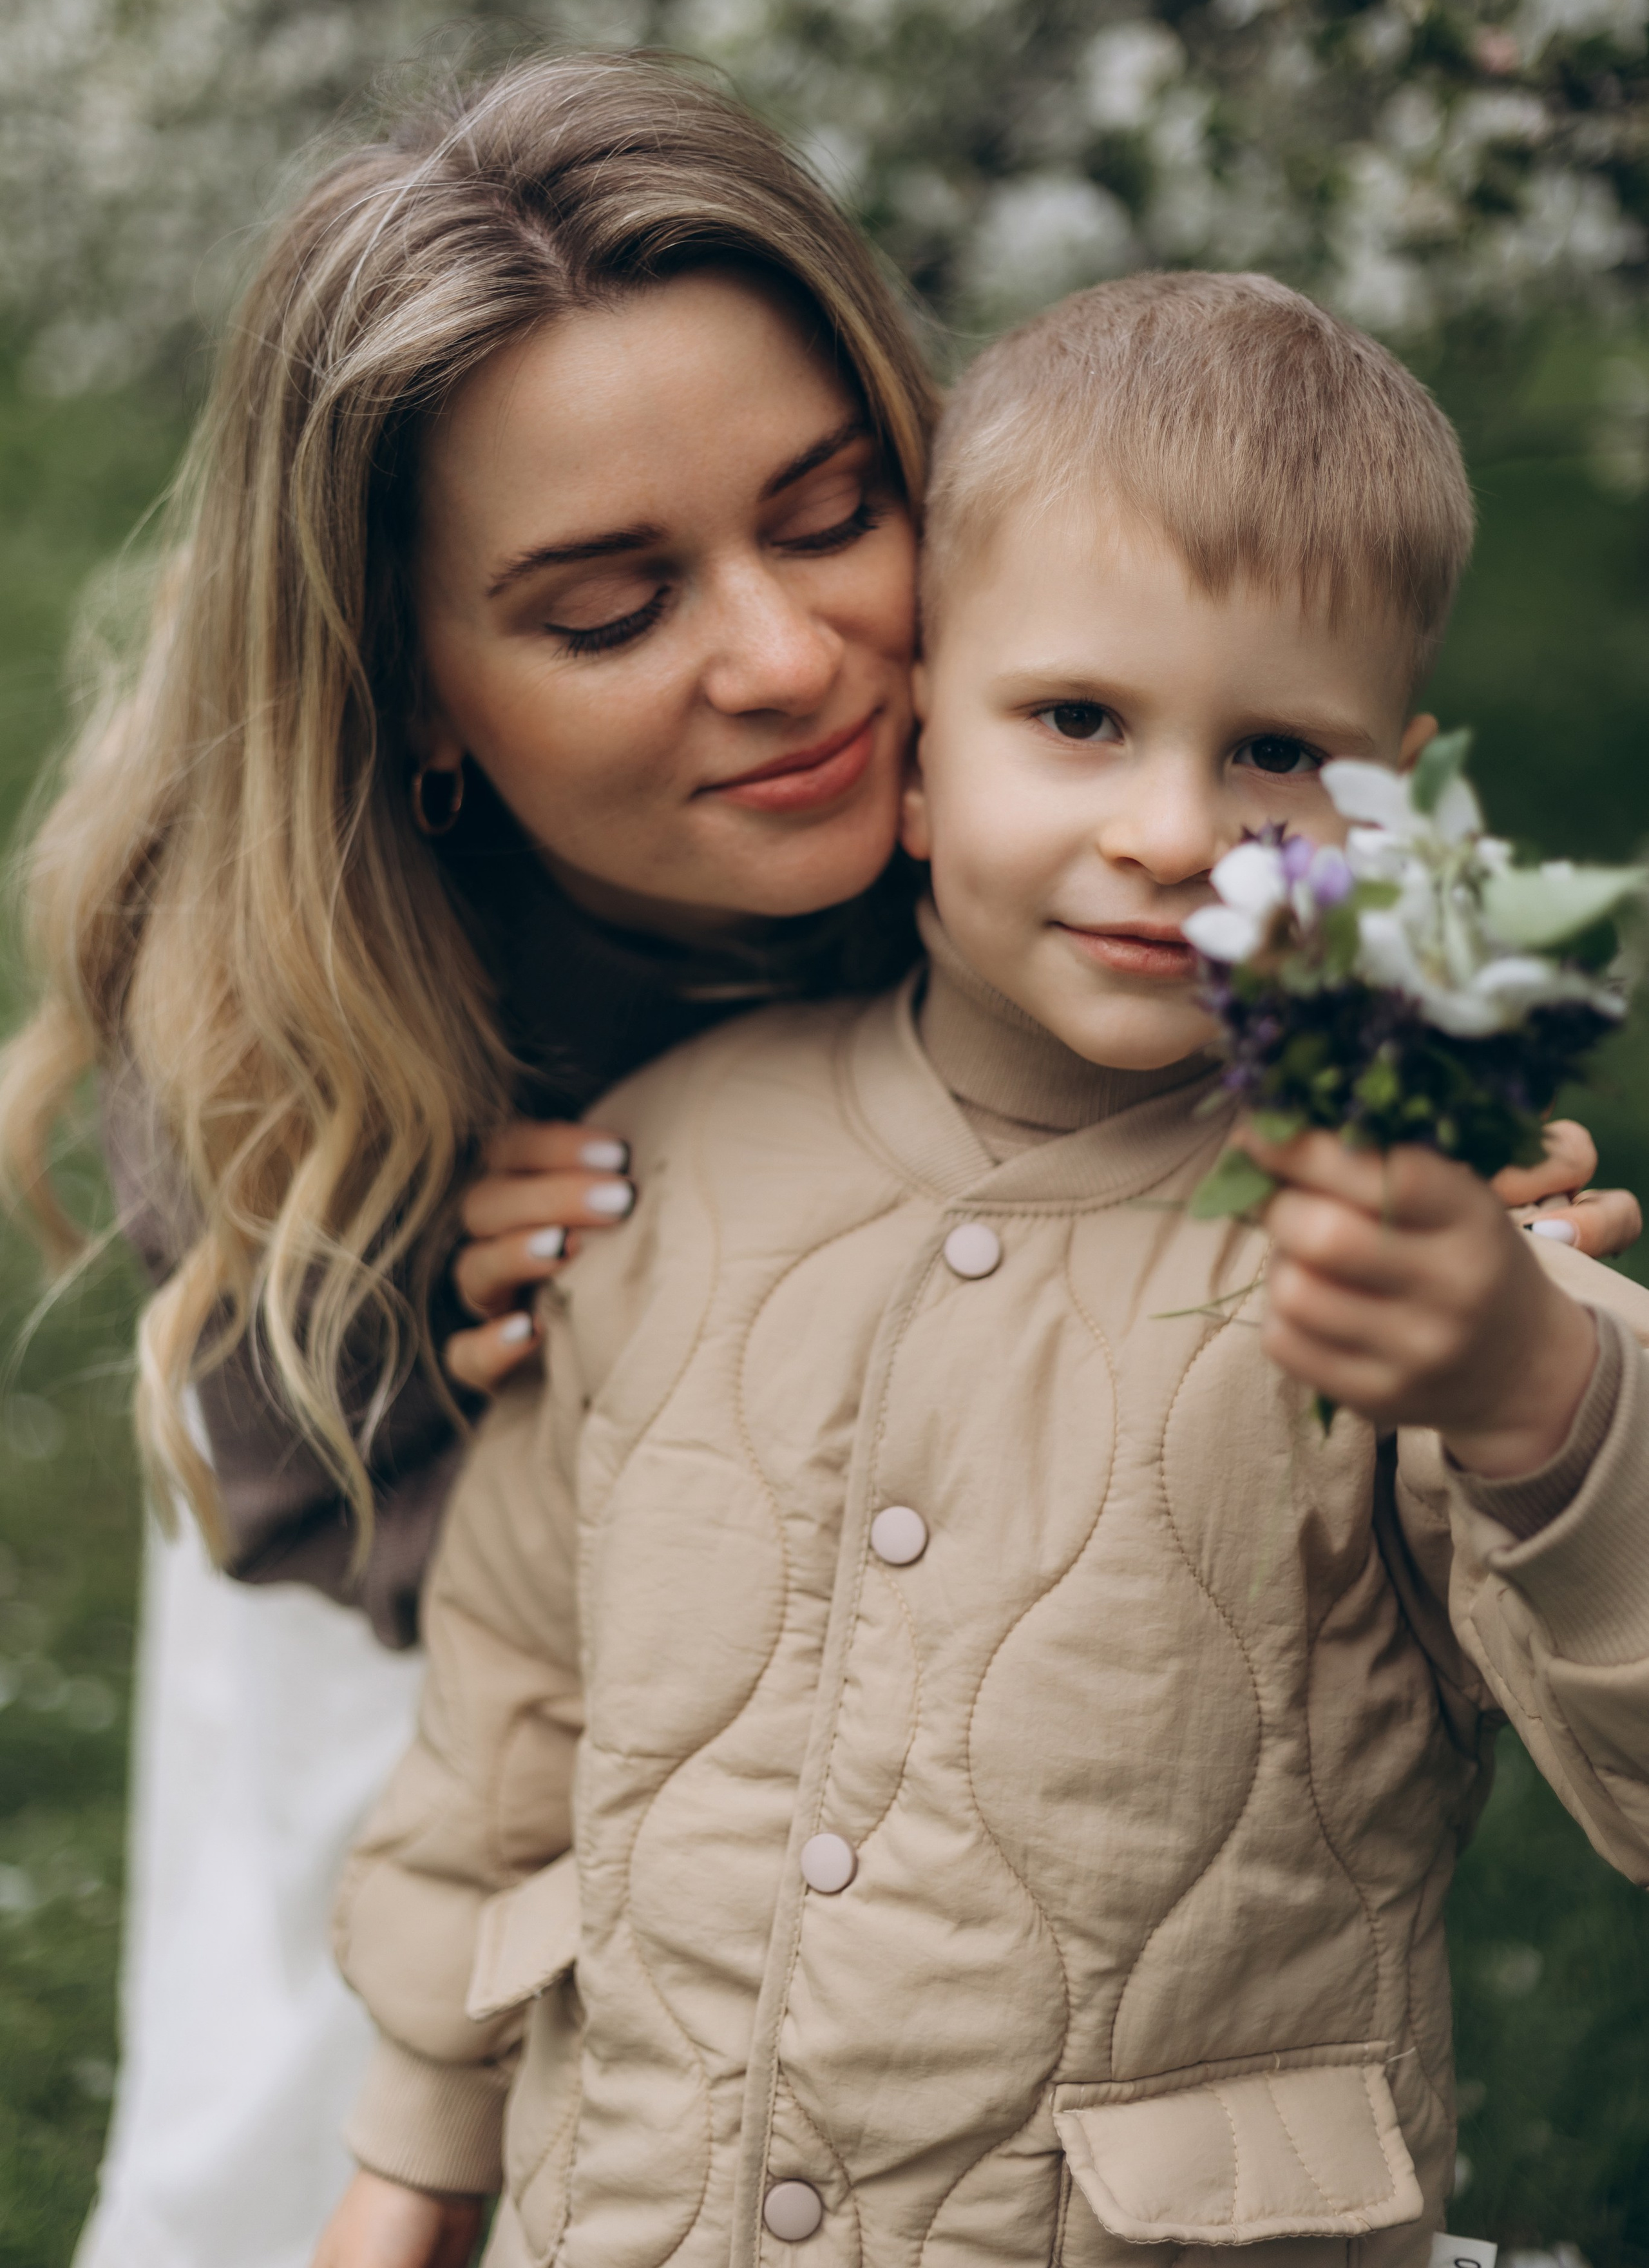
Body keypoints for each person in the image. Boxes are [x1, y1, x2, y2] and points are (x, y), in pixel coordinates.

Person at [321, 273, 1649, 2268]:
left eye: (1277, 750)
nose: (1175, 827)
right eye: (1081, 720)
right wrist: (414, 2162)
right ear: (920, 745)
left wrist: (1543, 1402)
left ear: (1394, 810)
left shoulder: (1419, 1252)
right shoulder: (660, 1162)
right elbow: (512, 1705)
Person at [0, 51, 941, 2268]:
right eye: (610, 613)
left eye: (829, 513)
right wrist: (435, 1343)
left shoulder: (1056, 755)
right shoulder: (272, 975)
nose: (790, 658)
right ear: (407, 688)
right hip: (397, 1602)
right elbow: (273, 1476)